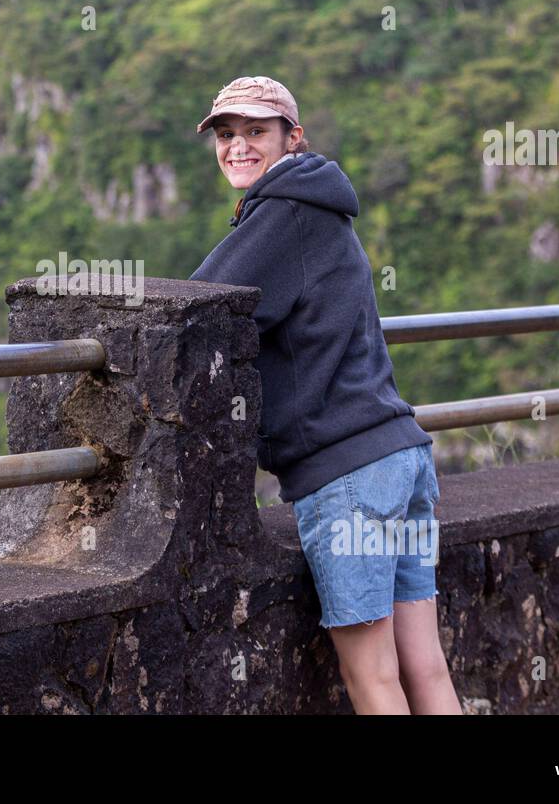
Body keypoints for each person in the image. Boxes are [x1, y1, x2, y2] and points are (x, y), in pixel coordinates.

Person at [188, 75, 461, 714]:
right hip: (403, 458)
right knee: (427, 669)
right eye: (226, 135)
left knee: (372, 677)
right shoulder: (318, 207)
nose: (237, 147)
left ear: (293, 137)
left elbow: (193, 305)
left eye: (256, 132)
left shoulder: (284, 211)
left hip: (349, 477)